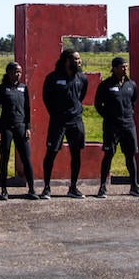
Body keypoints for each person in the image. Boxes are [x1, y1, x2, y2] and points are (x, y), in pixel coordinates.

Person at [94, 56, 139, 198]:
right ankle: (103, 187)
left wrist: (127, 115)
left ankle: (134, 186)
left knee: (130, 155)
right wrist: (109, 117)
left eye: (126, 66)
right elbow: (98, 105)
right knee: (109, 155)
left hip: (128, 125)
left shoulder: (131, 85)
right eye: (122, 67)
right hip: (111, 127)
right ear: (114, 68)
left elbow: (133, 101)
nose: (125, 69)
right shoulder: (106, 85)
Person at [41, 49, 87, 199]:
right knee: (51, 153)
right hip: (58, 121)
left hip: (76, 121)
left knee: (76, 153)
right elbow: (46, 97)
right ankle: (46, 188)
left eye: (79, 59)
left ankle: (73, 187)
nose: (79, 61)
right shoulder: (53, 78)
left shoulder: (82, 78)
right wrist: (55, 113)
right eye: (76, 59)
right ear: (66, 60)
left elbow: (81, 95)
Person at [0, 62, 37, 200]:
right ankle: (4, 190)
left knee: (26, 159)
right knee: (4, 158)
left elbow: (28, 109)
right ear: (8, 72)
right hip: (6, 127)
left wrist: (28, 127)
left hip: (21, 127)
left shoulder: (24, 88)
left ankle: (31, 189)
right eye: (15, 71)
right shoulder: (1, 89)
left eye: (19, 72)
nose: (18, 74)